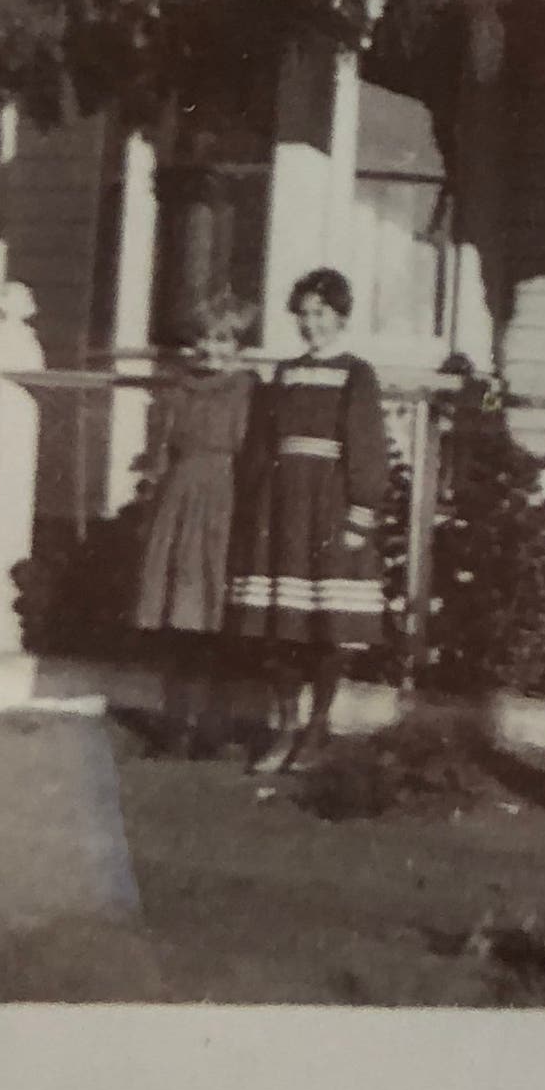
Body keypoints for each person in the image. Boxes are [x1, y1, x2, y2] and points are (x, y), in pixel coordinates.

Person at [227, 266, 393, 776]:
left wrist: (359, 516)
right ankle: (284, 727)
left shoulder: (355, 373)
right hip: (281, 511)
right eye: (303, 314)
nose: (310, 323)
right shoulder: (284, 373)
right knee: (281, 627)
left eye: (320, 313)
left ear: (340, 316)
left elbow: (366, 449)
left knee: (326, 626)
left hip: (329, 506)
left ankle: (318, 729)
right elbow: (259, 447)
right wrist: (252, 505)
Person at [131, 289, 255, 755]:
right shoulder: (178, 388)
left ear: (238, 346)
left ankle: (213, 724)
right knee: (174, 613)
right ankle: (174, 722)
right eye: (206, 339)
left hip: (225, 499)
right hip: (179, 499)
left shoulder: (246, 389)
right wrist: (152, 489)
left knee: (215, 613)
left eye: (224, 340)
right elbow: (161, 448)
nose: (213, 349)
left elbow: (253, 454)